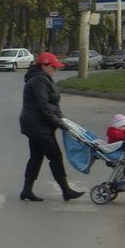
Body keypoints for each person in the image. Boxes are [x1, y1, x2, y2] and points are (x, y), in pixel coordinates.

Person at [19, 52, 84, 202]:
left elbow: (53, 104)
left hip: (38, 124)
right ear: (44, 65)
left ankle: (26, 190)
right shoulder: (38, 81)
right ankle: (66, 190)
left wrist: (61, 118)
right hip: (37, 125)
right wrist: (58, 122)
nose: (56, 70)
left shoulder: (44, 79)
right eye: (53, 67)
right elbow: (44, 106)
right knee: (55, 156)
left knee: (36, 157)